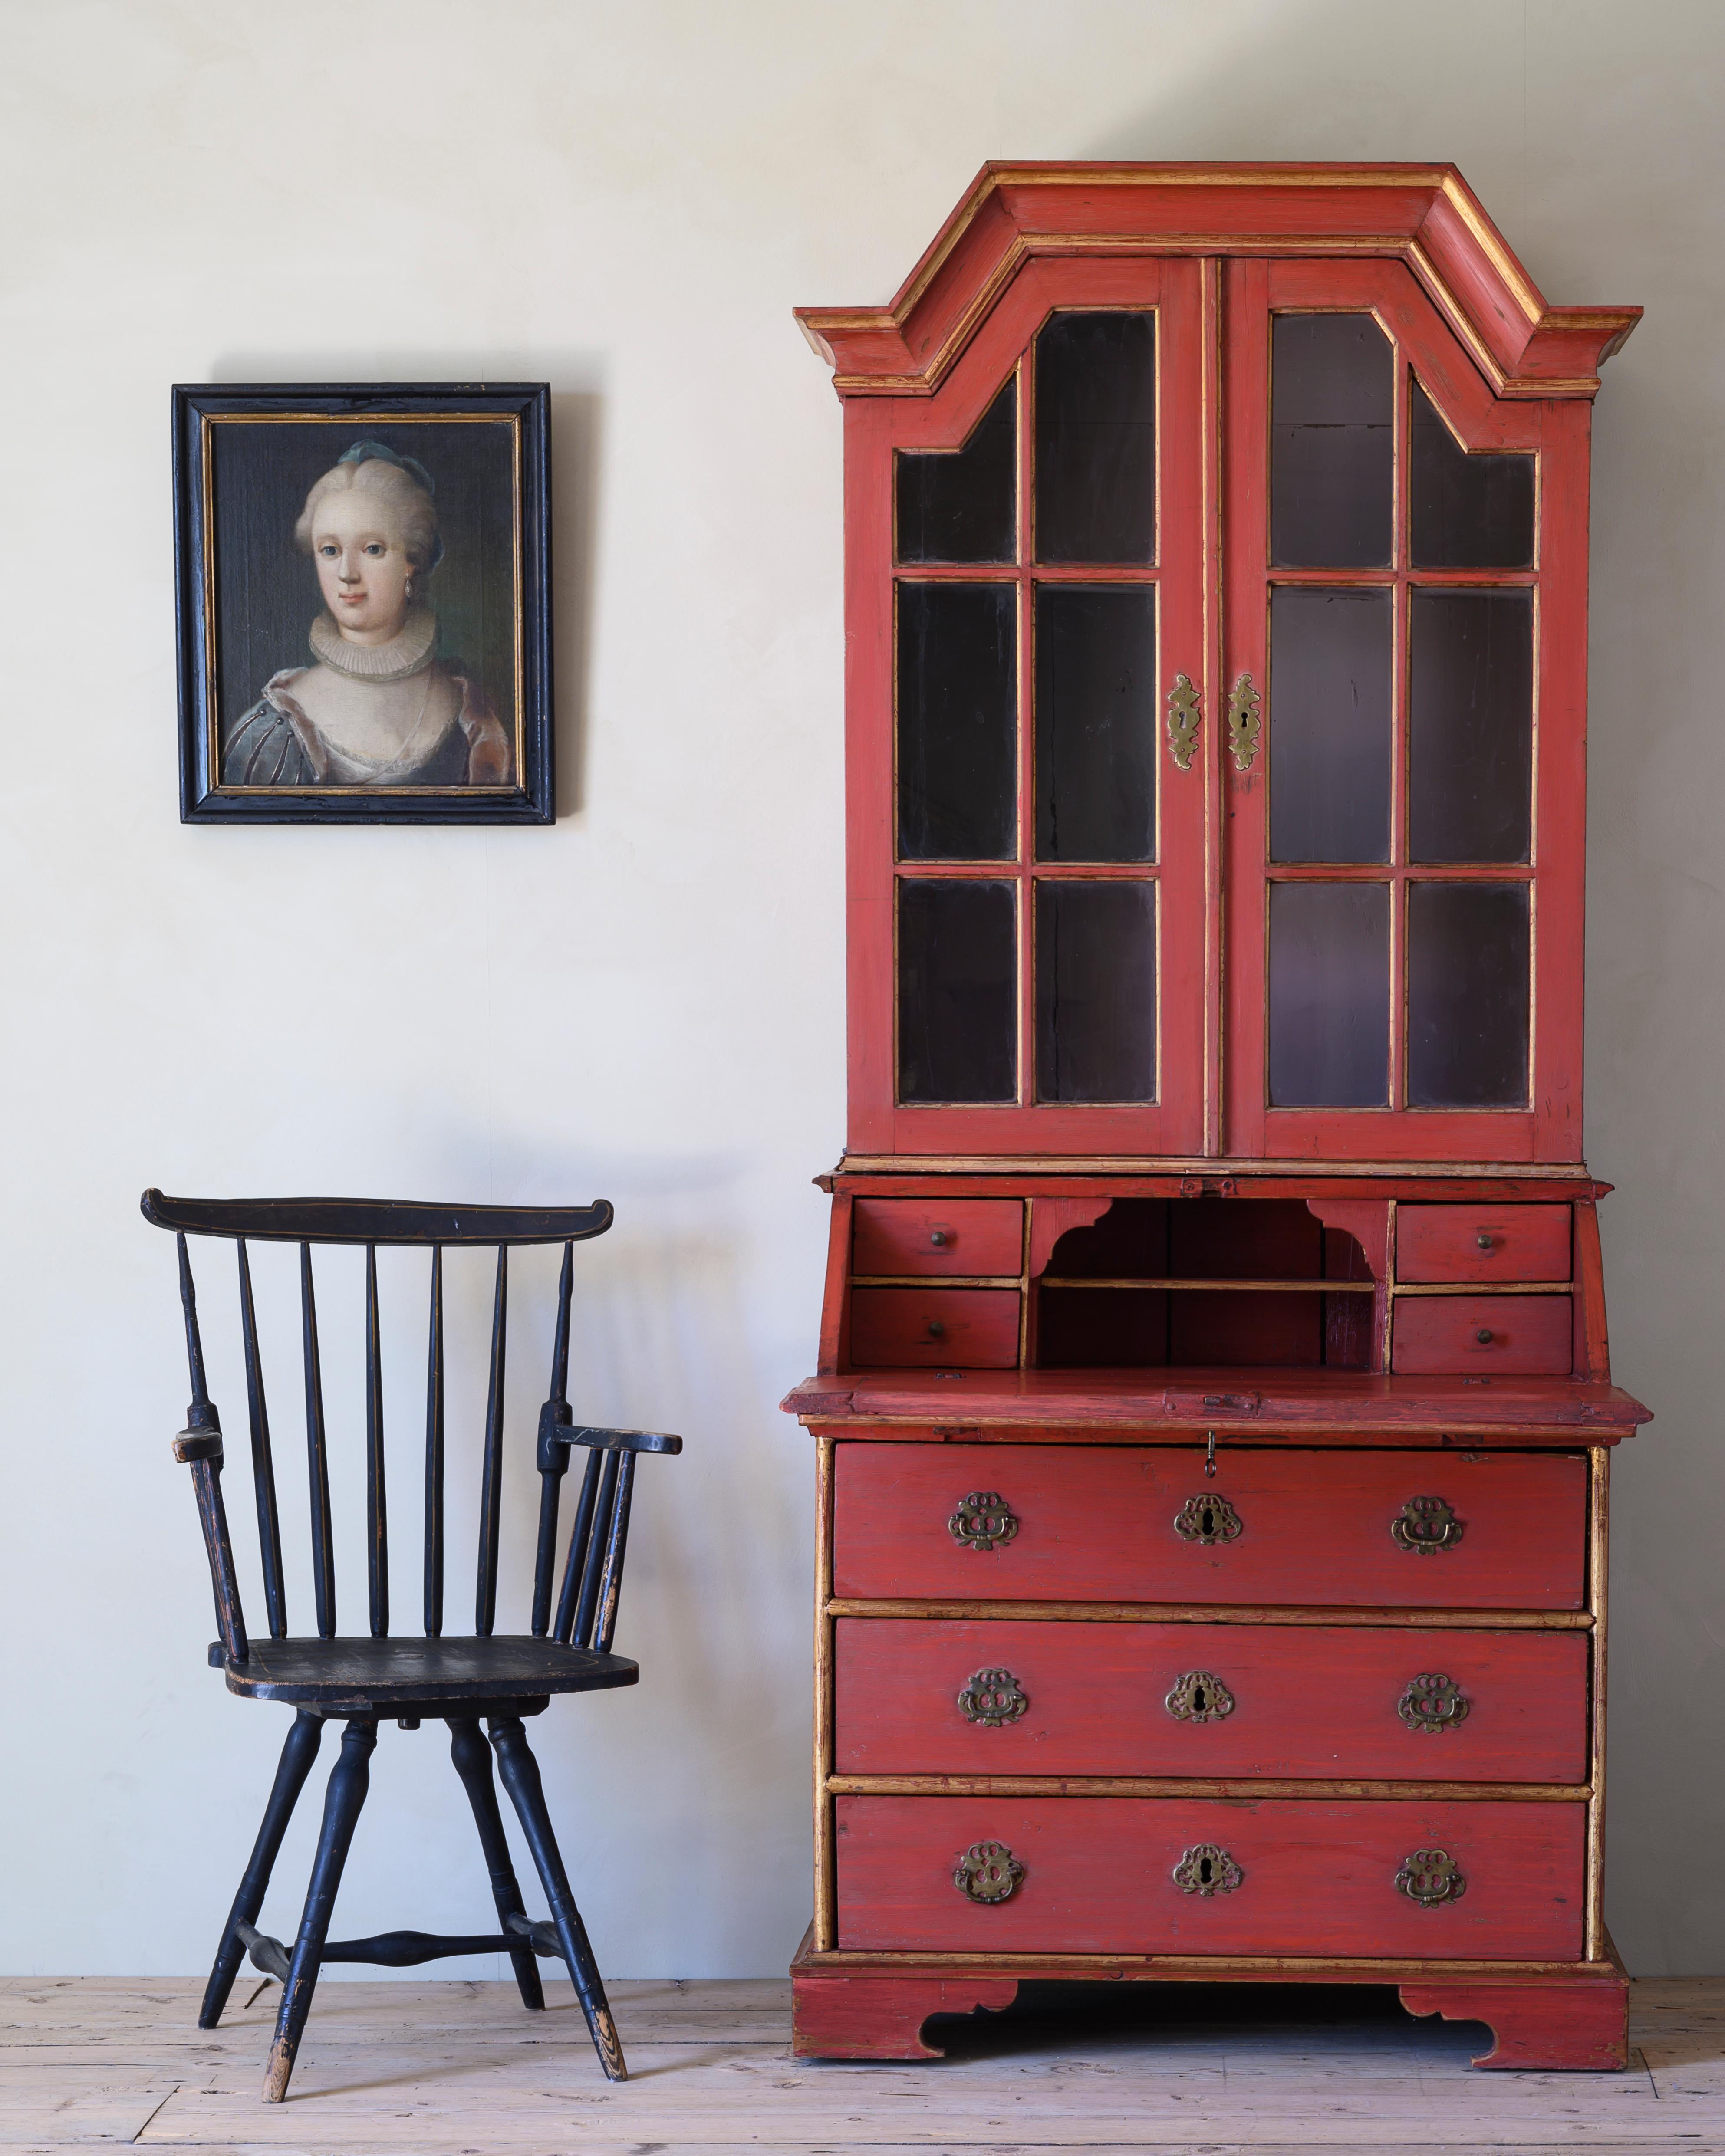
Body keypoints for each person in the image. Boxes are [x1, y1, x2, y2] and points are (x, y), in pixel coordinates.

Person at [222, 441, 512, 787]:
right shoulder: (272, 729)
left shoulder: (473, 717)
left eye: (373, 549)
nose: (347, 572)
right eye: (330, 550)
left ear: (412, 561)